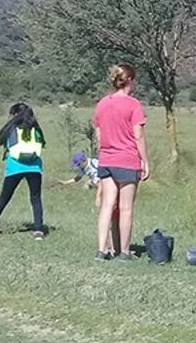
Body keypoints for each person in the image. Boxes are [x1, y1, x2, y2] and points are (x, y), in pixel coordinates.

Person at [92, 64, 149, 261]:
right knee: (125, 207)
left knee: (107, 205)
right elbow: (139, 135)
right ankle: (124, 251)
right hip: (127, 160)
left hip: (106, 159)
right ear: (130, 80)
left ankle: (102, 249)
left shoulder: (102, 104)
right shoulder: (133, 105)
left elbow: (99, 135)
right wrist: (145, 161)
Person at [0, 103, 46, 239]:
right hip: (34, 168)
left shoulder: (11, 128)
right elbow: (42, 145)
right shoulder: (36, 129)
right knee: (35, 199)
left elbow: (2, 142)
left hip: (15, 167)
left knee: (4, 197)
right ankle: (38, 230)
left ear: (15, 114)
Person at [59, 151, 120, 253]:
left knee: (108, 219)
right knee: (105, 218)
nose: (78, 166)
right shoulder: (84, 168)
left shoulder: (94, 163)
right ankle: (109, 246)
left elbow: (102, 180)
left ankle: (113, 247)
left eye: (78, 164)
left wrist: (98, 197)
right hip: (100, 189)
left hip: (106, 188)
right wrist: (66, 183)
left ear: (83, 160)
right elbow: (77, 178)